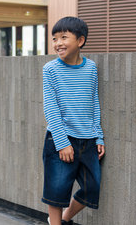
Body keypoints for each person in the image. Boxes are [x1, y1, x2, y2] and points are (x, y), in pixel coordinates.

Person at [41, 17, 105, 225]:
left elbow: (94, 102)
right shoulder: (50, 69)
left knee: (92, 188)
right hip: (60, 138)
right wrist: (62, 143)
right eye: (54, 38)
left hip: (88, 139)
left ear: (80, 41)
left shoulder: (91, 68)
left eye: (63, 37)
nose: (57, 43)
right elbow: (51, 109)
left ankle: (65, 219)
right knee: (57, 190)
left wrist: (99, 137)